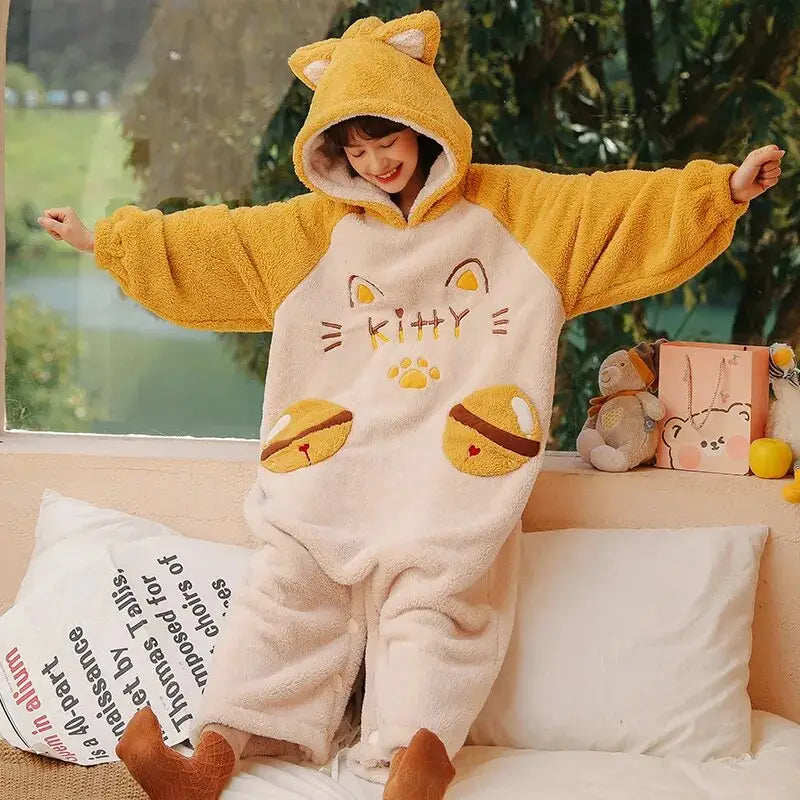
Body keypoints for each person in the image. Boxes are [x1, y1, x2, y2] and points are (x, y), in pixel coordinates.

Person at [39, 11, 783, 800]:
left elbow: (613, 210)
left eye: (385, 140)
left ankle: (412, 758)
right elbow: (212, 247)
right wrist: (104, 241)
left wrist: (720, 192)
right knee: (287, 586)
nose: (375, 163)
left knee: (437, 598)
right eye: (353, 150)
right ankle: (210, 756)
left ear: (422, 122)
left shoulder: (515, 212)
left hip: (453, 466)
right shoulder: (310, 234)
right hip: (334, 460)